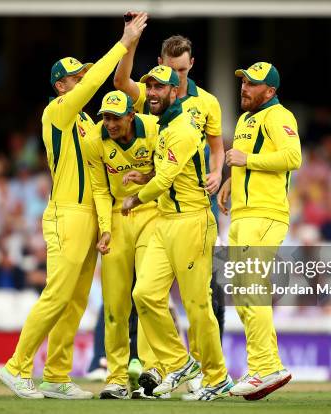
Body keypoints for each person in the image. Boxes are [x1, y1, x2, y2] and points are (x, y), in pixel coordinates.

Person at [0, 13, 148, 399]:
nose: (83, 80)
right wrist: (124, 42)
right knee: (57, 293)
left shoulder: (85, 120)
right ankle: (16, 367)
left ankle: (56, 375)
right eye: (76, 77)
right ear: (61, 85)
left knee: (76, 299)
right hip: (65, 213)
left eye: (83, 75)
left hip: (89, 215)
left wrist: (106, 221)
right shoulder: (58, 112)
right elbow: (98, 80)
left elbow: (105, 168)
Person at [114, 28, 226, 396]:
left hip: (192, 220)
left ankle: (217, 378)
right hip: (166, 221)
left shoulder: (181, 127)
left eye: (162, 87)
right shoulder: (163, 126)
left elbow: (165, 179)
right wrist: (146, 173)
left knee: (197, 307)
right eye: (153, 86)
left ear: (176, 89)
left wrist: (136, 196)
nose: (155, 92)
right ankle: (180, 363)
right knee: (144, 294)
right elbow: (164, 170)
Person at [217, 61, 301, 399]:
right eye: (243, 82)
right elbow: (244, 161)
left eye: (253, 84)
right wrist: (229, 182)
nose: (245, 88)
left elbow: (293, 156)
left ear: (270, 91)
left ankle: (266, 367)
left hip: (266, 215)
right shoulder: (245, 119)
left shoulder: (279, 116)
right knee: (244, 293)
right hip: (243, 215)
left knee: (252, 289)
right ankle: (264, 367)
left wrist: (246, 162)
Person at [85, 90, 163, 399]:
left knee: (146, 293)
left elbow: (167, 171)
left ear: (131, 115)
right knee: (115, 304)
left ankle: (150, 372)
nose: (109, 123)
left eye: (116, 117)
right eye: (105, 117)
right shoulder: (94, 139)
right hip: (118, 215)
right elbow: (100, 190)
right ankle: (116, 377)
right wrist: (105, 229)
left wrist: (145, 179)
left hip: (151, 211)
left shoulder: (153, 128)